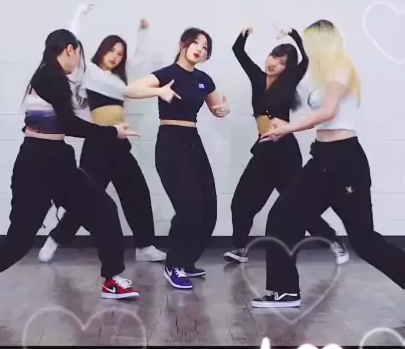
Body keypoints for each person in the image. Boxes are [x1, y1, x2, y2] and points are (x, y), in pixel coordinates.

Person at [0, 28, 177, 299]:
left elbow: (69, 122)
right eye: (78, 54)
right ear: (70, 50)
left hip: (58, 161)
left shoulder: (56, 77)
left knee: (105, 210)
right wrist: (112, 132)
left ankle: (112, 279)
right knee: (18, 243)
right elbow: (70, 124)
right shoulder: (49, 77)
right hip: (36, 165)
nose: (79, 62)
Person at [252, 19, 405, 309]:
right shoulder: (322, 75)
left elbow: (329, 112)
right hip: (322, 159)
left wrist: (289, 128)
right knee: (283, 216)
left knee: (364, 240)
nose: (308, 48)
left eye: (311, 42)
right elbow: (318, 104)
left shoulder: (341, 68)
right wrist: (291, 36)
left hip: (344, 162)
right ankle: (284, 291)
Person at [38, 4, 166, 264]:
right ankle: (56, 238)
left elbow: (140, 60)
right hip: (97, 145)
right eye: (111, 50)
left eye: (120, 53)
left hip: (120, 144)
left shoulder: (119, 81)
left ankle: (145, 245)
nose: (115, 56)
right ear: (101, 50)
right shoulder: (88, 72)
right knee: (86, 197)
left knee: (137, 193)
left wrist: (142, 32)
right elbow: (73, 41)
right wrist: (79, 13)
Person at [225, 26, 347, 265]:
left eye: (282, 62)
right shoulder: (257, 78)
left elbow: (306, 59)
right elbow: (237, 50)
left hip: (285, 154)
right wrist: (244, 33)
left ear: (287, 68)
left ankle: (334, 242)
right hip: (263, 152)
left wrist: (294, 35)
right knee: (241, 202)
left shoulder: (289, 81)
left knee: (298, 204)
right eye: (274, 57)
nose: (274, 63)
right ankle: (240, 248)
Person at [127, 28, 230, 290]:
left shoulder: (204, 79)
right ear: (183, 44)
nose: (200, 49)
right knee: (189, 207)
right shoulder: (167, 74)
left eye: (205, 47)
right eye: (196, 43)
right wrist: (158, 92)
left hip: (193, 142)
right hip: (170, 143)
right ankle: (174, 264)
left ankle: (186, 261)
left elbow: (217, 108)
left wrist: (224, 109)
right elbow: (131, 89)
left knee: (209, 208)